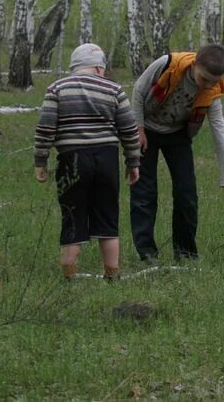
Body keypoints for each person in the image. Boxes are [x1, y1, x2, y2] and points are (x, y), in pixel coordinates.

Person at [130, 43, 224, 262]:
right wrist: (137, 129)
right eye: (204, 79)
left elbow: (220, 137)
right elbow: (138, 91)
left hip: (177, 135)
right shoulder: (168, 64)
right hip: (146, 128)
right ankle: (147, 253)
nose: (208, 86)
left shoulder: (212, 91)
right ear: (194, 64)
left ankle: (185, 253)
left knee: (187, 195)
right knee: (144, 193)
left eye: (214, 82)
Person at [34, 43, 140, 280]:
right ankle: (112, 274)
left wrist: (40, 160)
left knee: (72, 214)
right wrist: (133, 162)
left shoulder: (56, 88)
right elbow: (129, 130)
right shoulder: (114, 89)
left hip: (71, 159)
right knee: (108, 216)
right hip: (107, 159)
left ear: (74, 67)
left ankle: (69, 276)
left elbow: (45, 128)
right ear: (99, 67)